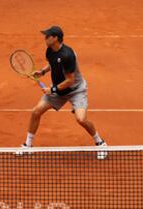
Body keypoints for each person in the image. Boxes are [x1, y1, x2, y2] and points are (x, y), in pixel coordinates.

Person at [22, 26, 108, 159]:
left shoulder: (67, 55)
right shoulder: (50, 51)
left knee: (81, 119)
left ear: (55, 38)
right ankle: (27, 146)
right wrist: (42, 71)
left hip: (75, 90)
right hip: (59, 90)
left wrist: (52, 89)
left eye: (47, 36)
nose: (45, 38)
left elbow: (70, 80)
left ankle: (101, 143)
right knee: (36, 111)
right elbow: (53, 63)